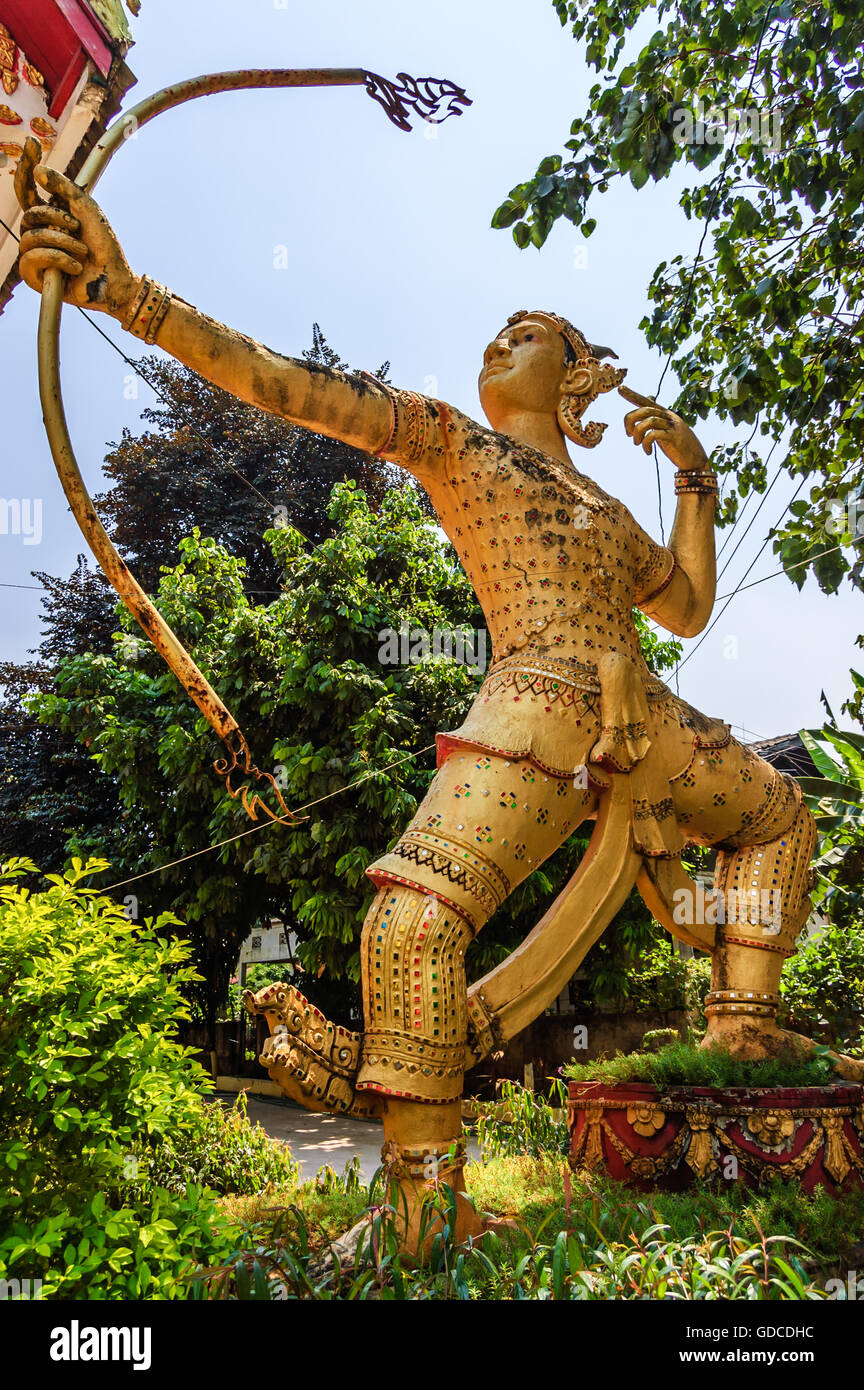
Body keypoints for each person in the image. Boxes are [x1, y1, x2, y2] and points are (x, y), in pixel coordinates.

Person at [18, 165, 828, 1248]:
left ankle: (743, 1023)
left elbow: (682, 604)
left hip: (654, 718)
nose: (500, 340)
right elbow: (282, 383)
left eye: (527, 330)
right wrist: (128, 294)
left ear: (579, 377)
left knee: (779, 815)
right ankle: (422, 1200)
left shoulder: (603, 506)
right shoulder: (454, 438)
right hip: (533, 704)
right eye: (497, 329)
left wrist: (695, 481)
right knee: (409, 925)